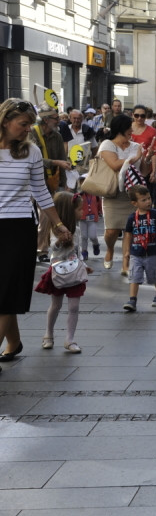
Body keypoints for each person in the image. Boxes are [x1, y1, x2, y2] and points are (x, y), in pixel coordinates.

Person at [0, 99, 73, 367]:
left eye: (31, 124)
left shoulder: (30, 152)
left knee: (7, 290)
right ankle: (14, 342)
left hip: (19, 226)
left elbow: (41, 191)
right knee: (3, 291)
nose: (28, 129)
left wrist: (58, 224)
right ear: (5, 121)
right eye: (23, 124)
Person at [32, 191, 89, 354]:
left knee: (74, 306)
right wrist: (59, 242)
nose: (82, 212)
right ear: (69, 212)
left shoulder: (76, 230)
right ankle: (48, 334)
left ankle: (70, 339)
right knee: (55, 305)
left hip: (74, 272)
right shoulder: (53, 230)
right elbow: (52, 251)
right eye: (79, 210)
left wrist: (83, 264)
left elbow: (76, 253)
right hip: (58, 272)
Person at [97, 114, 155, 275]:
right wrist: (133, 158)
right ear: (121, 128)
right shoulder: (107, 145)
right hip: (112, 192)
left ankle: (126, 263)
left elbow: (142, 172)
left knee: (129, 230)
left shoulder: (136, 146)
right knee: (111, 230)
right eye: (129, 127)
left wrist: (147, 159)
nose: (132, 130)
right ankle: (109, 249)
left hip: (131, 193)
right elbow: (114, 165)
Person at [30, 106, 70, 262]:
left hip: (48, 181)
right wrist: (54, 162)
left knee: (45, 218)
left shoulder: (58, 136)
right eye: (55, 118)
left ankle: (42, 250)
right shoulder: (32, 133)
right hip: (30, 180)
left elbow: (63, 161)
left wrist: (64, 184)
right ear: (46, 120)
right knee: (31, 218)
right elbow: (34, 158)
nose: (59, 121)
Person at [121, 185, 156, 312]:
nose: (148, 202)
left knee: (154, 276)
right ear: (134, 203)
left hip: (152, 252)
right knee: (134, 276)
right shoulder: (132, 218)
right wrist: (127, 251)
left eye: (149, 198)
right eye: (144, 200)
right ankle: (132, 300)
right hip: (136, 253)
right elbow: (128, 234)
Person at [78, 190, 102, 261]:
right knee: (84, 236)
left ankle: (96, 244)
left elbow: (99, 205)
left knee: (93, 236)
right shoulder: (79, 195)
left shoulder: (96, 195)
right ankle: (84, 251)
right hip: (82, 218)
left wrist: (100, 212)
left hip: (93, 218)